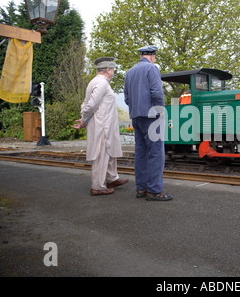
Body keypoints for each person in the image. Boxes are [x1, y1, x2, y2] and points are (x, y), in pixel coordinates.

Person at [73, 57, 128, 196]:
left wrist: (83, 119)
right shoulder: (102, 83)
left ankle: (112, 178)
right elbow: (91, 105)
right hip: (102, 126)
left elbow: (86, 103)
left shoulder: (95, 82)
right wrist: (84, 118)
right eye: (113, 69)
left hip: (104, 124)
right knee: (101, 154)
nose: (114, 72)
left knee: (109, 153)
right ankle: (97, 187)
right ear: (108, 70)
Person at [124, 46, 172, 201]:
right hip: (151, 116)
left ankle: (141, 188)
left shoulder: (130, 72)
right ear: (152, 56)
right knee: (156, 153)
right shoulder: (152, 68)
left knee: (141, 153)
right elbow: (157, 92)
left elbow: (126, 97)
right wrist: (161, 110)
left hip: (136, 116)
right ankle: (154, 190)